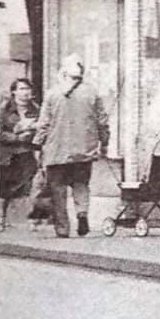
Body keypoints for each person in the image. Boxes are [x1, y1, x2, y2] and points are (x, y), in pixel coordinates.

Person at [33, 54, 109, 238]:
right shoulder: (92, 93)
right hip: (83, 150)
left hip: (56, 150)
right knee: (81, 184)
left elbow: (44, 124)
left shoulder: (52, 94)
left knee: (58, 190)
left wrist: (37, 145)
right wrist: (104, 143)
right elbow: (103, 122)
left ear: (63, 72)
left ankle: (62, 228)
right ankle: (82, 214)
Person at [0, 78, 41, 231]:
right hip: (7, 155)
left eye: (28, 89)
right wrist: (16, 137)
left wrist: (34, 135)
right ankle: (0, 217)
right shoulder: (3, 110)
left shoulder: (36, 109)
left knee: (29, 185)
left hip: (26, 152)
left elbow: (42, 128)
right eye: (21, 89)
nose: (25, 92)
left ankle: (31, 220)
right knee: (4, 188)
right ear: (14, 91)